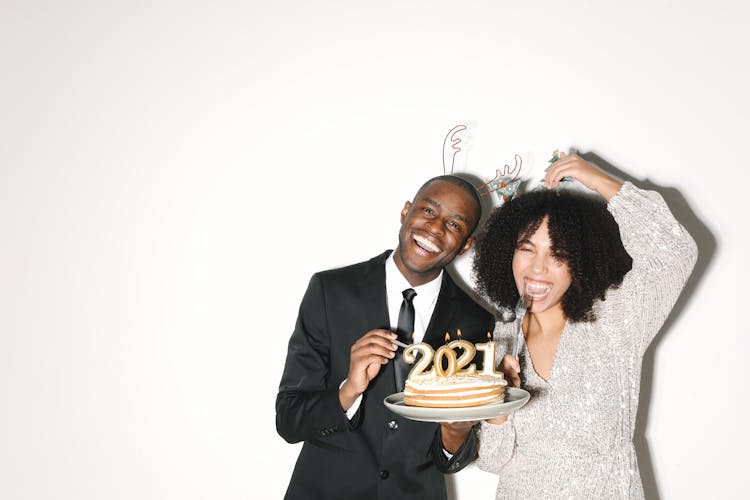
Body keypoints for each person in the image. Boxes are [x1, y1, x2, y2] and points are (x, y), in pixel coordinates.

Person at [470, 153, 697, 499]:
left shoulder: (616, 321)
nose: (538, 268)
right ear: (507, 254)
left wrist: (597, 179)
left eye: (558, 254)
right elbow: (493, 460)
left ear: (580, 262)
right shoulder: (498, 344)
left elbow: (675, 251)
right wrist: (497, 405)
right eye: (526, 249)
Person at [276, 175, 495, 500]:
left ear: (465, 245)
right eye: (428, 211)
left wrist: (457, 431)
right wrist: (348, 390)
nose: (435, 229)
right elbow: (289, 420)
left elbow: (451, 458)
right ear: (406, 211)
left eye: (453, 224)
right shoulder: (330, 291)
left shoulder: (475, 321)